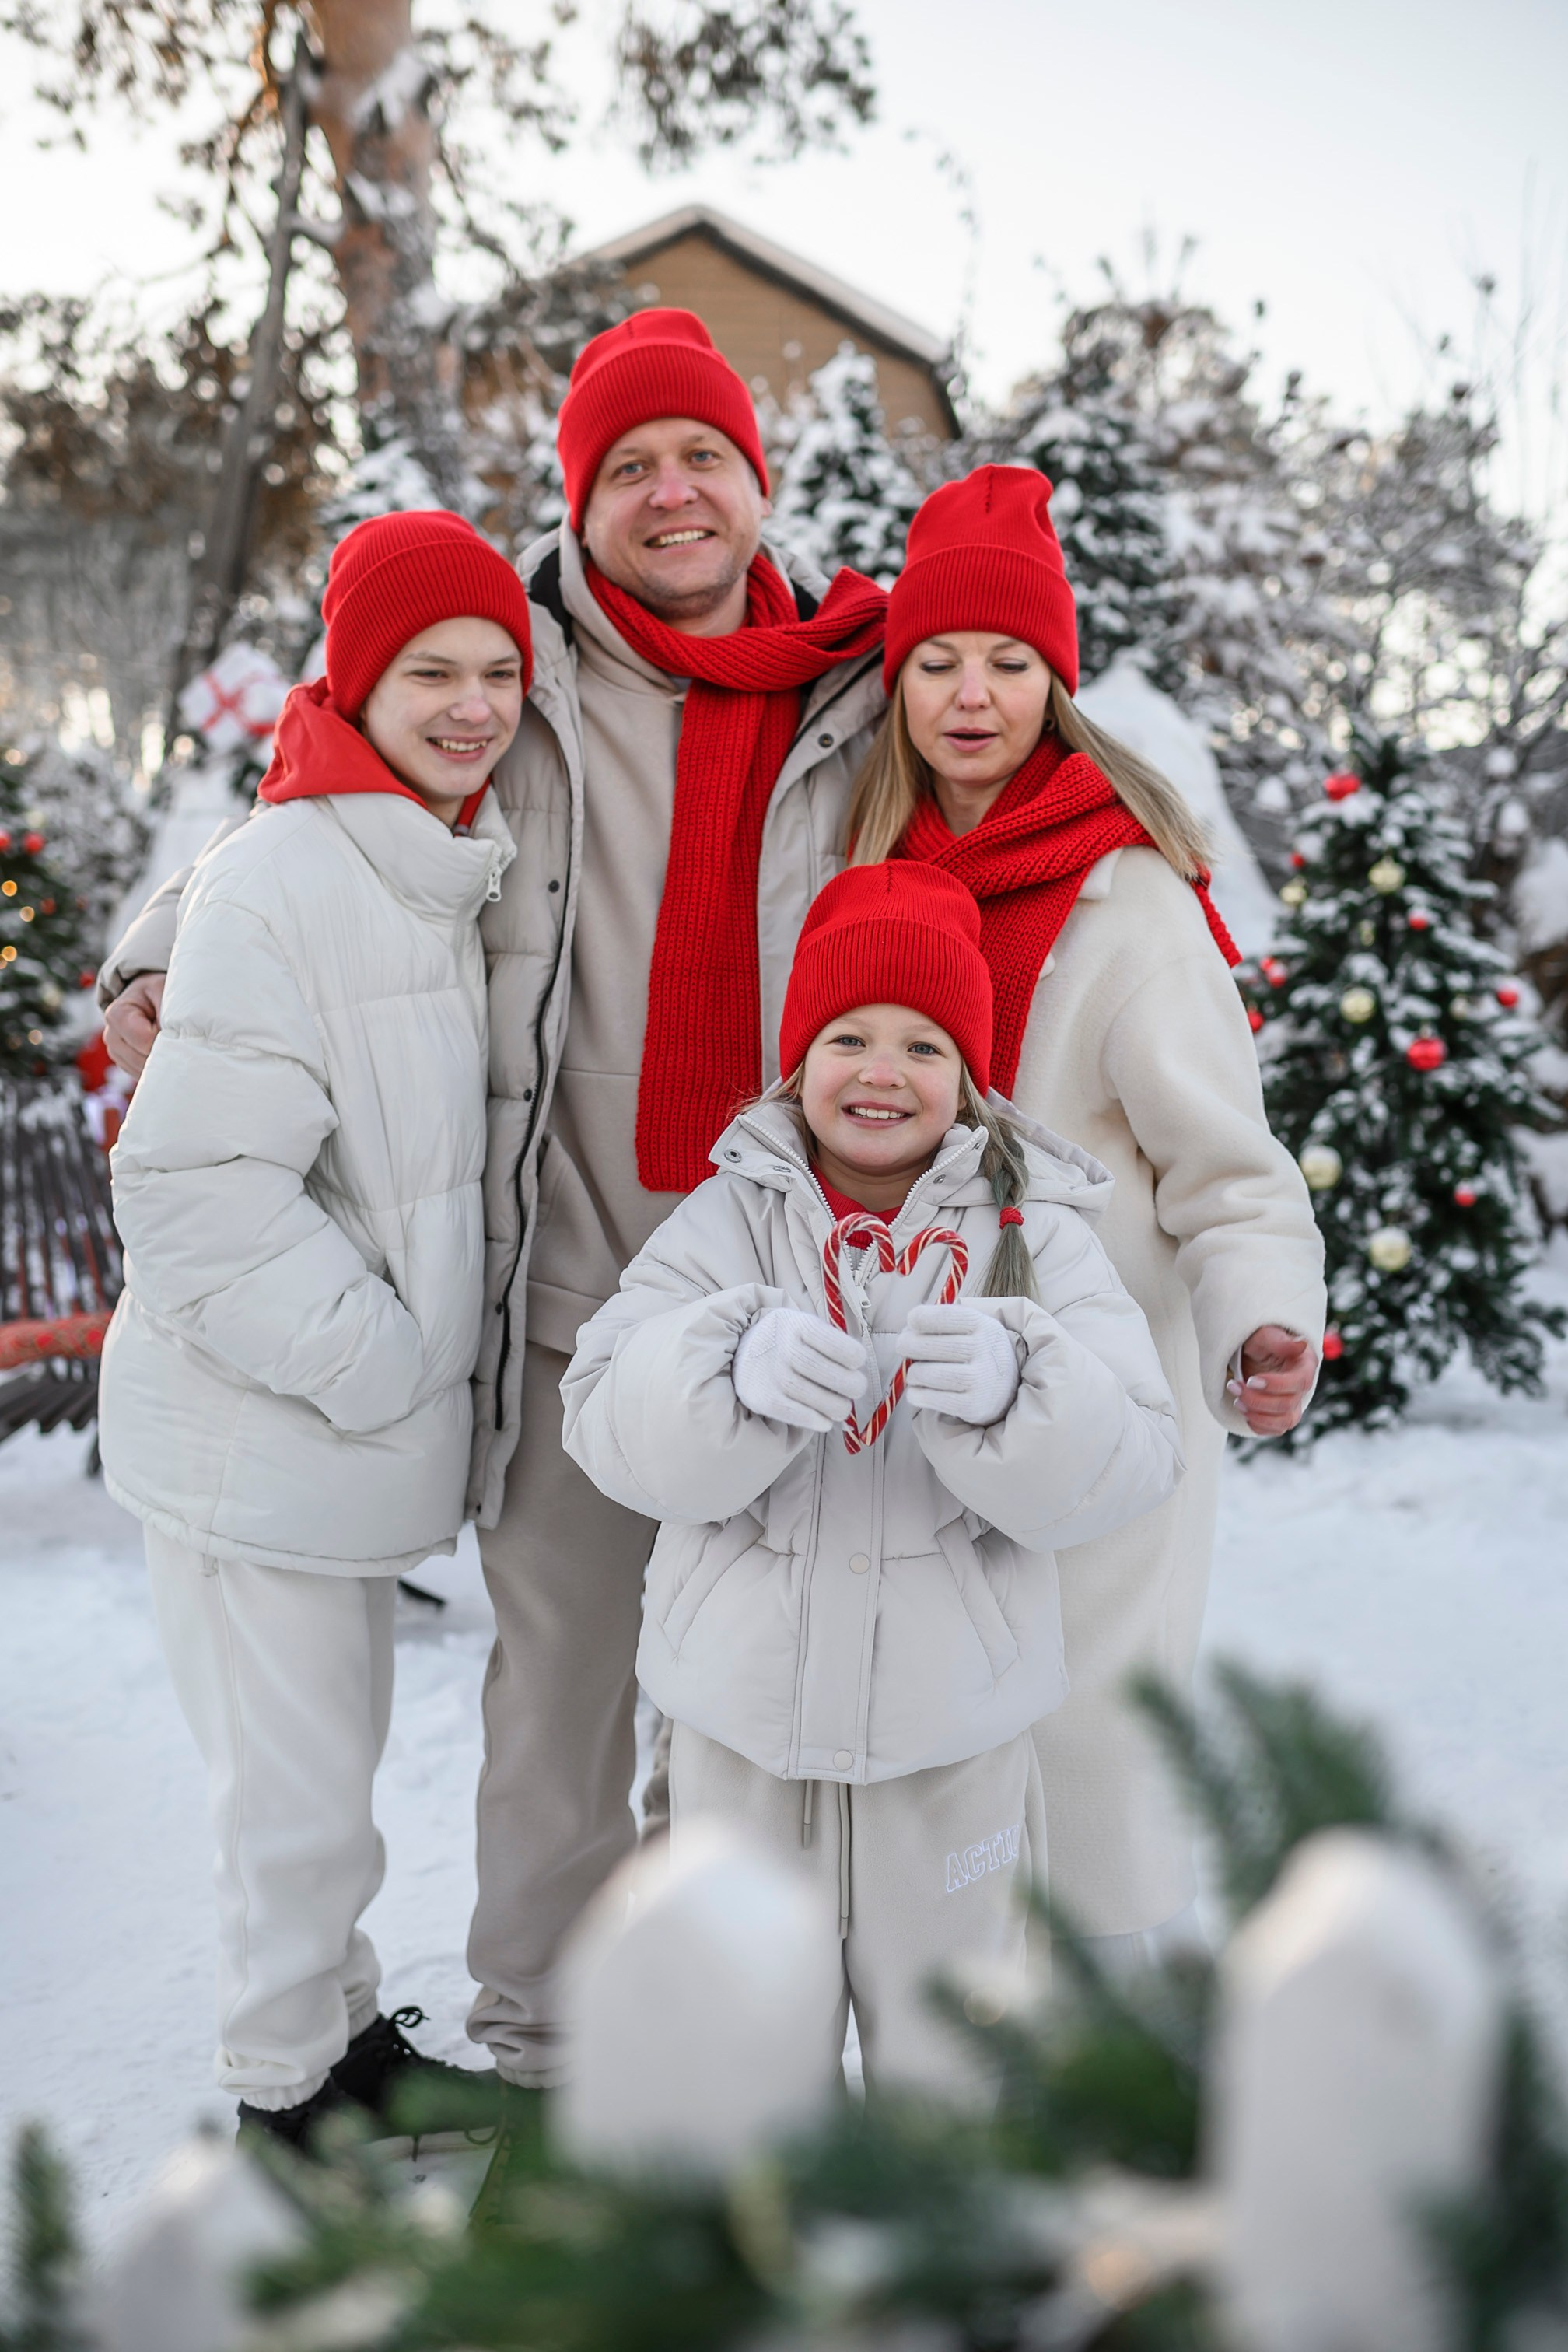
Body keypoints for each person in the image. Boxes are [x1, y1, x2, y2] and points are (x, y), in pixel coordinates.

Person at [96, 310, 891, 2088]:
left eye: (703, 457)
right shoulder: (508, 670)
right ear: (579, 501)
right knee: (560, 1700)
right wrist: (160, 941)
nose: (671, 494)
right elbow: (317, 792)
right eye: (629, 467)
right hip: (560, 1289)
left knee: (745, 1708)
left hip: (774, 1298)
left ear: (757, 483)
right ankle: (542, 2043)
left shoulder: (855, 688)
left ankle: (711, 2043)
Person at [560, 863, 1182, 2093]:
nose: (881, 1071)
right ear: (799, 1061)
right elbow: (602, 1411)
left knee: (957, 2072)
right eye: (847, 1037)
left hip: (950, 1750)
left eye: (923, 1044)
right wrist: (725, 1370)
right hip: (741, 1741)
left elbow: (1133, 1456)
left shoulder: (1037, 1237)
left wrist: (1023, 1388)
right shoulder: (727, 1220)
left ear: (970, 1078)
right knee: (735, 2065)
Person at [845, 467, 1327, 1961]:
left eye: (1008, 662)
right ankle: (942, 2045)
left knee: (1086, 1745)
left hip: (1096, 1383)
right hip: (909, 1386)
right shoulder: (869, 875)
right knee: (934, 1767)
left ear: (1054, 682)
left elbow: (1228, 1168)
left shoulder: (1129, 901)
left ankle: (1109, 2037)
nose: (969, 696)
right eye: (936, 660)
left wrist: (1261, 1317)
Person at [98, 512, 532, 2145]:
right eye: (431, 673)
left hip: (326, 1442)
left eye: (499, 671)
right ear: (356, 687)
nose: (473, 705)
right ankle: (288, 2109)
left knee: (323, 1784)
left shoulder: (429, 858)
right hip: (257, 1431)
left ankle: (341, 2049)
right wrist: (387, 1361)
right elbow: (196, 1196)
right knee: (288, 1808)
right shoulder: (294, 876)